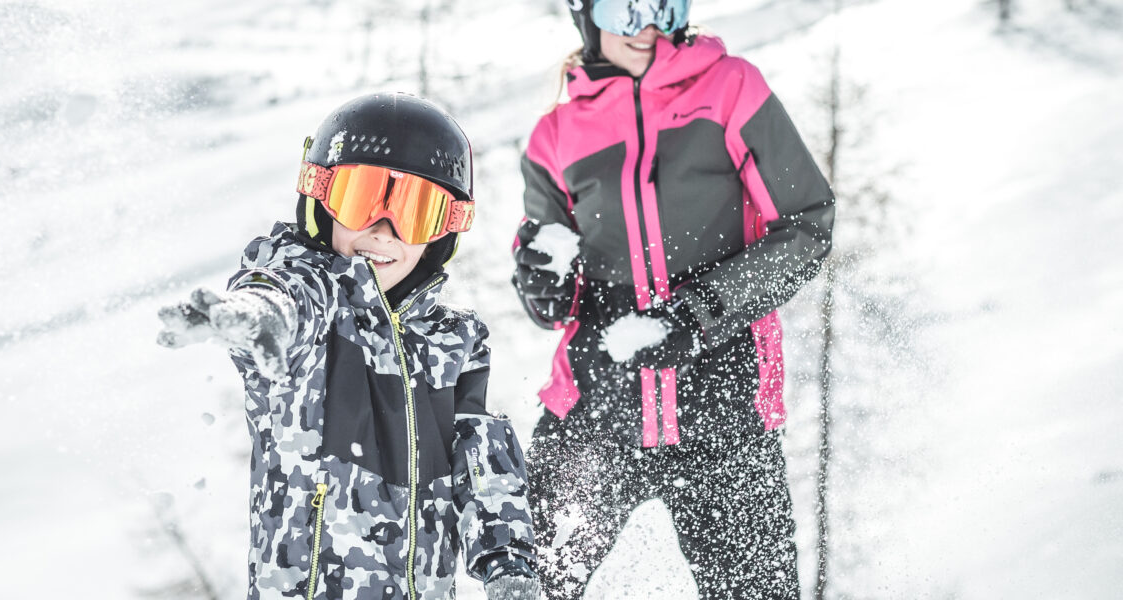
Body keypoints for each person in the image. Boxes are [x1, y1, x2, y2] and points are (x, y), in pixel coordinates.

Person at [157, 93, 540, 600]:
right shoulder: (316, 310)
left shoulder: (454, 343)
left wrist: (508, 564)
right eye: (363, 200)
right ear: (322, 201)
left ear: (443, 231)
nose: (384, 231)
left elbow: (479, 457)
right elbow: (285, 298)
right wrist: (258, 318)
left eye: (415, 211)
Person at [511, 1, 836, 598]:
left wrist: (698, 314)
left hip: (724, 407)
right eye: (626, 9)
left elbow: (806, 225)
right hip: (596, 412)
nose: (648, 25)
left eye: (665, 5)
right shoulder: (554, 136)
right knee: (528, 586)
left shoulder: (731, 90)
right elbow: (552, 303)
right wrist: (541, 279)